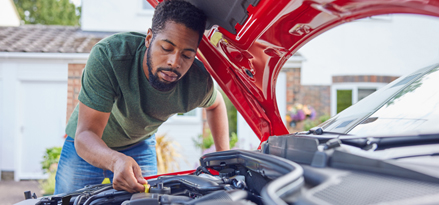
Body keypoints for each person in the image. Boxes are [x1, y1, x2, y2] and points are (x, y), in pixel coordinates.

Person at [54, 0, 229, 194]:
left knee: (146, 199)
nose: (174, 62)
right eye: (166, 48)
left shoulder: (196, 82)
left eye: (187, 55)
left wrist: (223, 162)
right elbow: (86, 133)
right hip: (88, 143)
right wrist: (115, 159)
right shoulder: (110, 57)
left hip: (139, 144)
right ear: (149, 38)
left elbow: (216, 104)